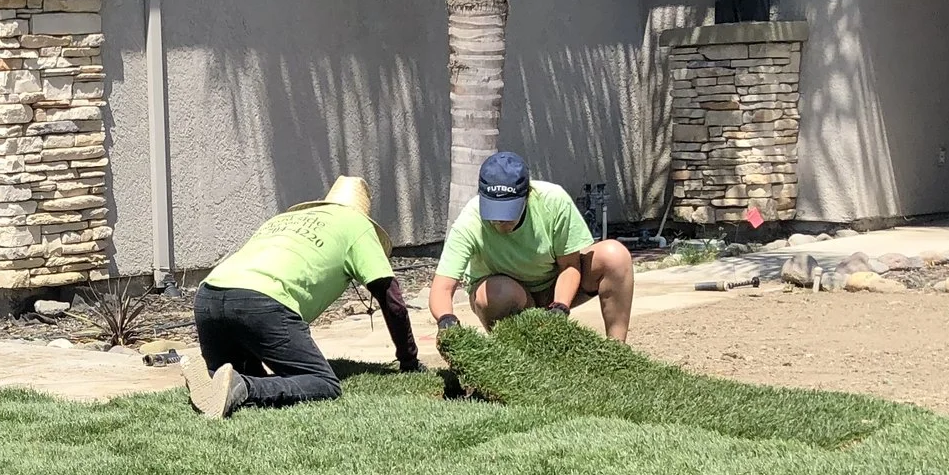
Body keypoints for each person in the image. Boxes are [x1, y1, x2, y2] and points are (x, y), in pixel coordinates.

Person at [184, 176, 421, 418]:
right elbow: (392, 300)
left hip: (209, 295)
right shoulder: (358, 225)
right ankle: (244, 386)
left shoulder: (283, 219)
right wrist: (409, 359)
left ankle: (216, 379)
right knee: (323, 383)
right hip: (264, 301)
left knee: (232, 378)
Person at [430, 151, 634, 344]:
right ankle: (516, 353)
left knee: (614, 256)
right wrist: (446, 320)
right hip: (508, 295)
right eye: (494, 211)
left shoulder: (553, 201)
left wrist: (560, 307)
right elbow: (442, 287)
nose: (501, 220)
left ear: (527, 196)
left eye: (509, 211)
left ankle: (617, 348)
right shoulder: (470, 220)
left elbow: (570, 266)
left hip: (553, 287)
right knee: (494, 293)